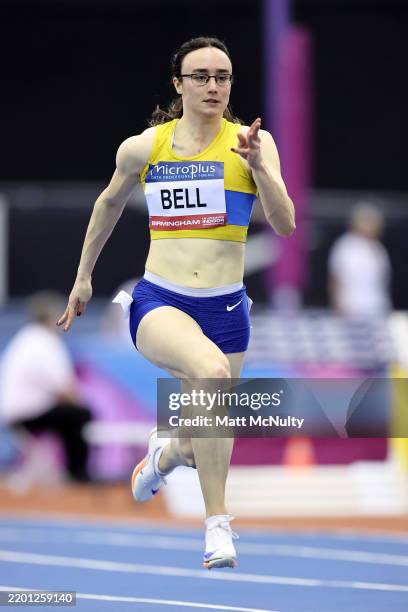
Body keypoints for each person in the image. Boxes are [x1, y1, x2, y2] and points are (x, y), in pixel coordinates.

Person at [57, 36, 295, 568]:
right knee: (209, 372)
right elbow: (108, 203)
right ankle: (218, 528)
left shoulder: (253, 143)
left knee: (200, 436)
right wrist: (83, 277)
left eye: (223, 76)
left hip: (227, 310)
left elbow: (285, 225)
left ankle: (165, 455)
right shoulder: (145, 147)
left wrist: (259, 168)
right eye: (202, 76)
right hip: (160, 301)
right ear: (178, 84)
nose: (214, 86)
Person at [0, 291, 92, 482]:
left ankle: (72, 472)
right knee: (80, 414)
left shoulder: (23, 339)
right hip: (28, 413)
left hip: (12, 412)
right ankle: (78, 475)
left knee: (71, 415)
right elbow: (65, 390)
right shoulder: (47, 343)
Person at [328, 201, 392, 317]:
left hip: (376, 308)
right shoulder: (345, 246)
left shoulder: (378, 249)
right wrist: (338, 308)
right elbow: (335, 280)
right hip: (351, 310)